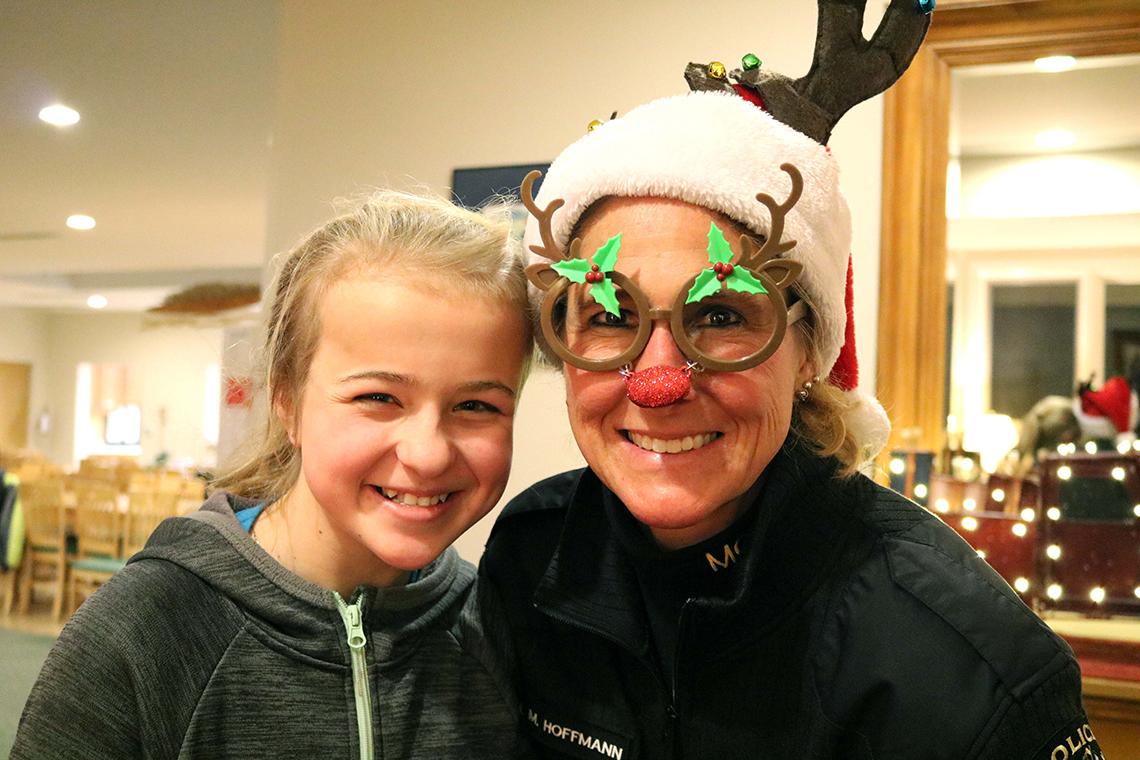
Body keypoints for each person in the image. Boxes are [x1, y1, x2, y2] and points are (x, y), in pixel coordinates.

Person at [480, 1, 1105, 757]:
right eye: (610, 316)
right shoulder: (530, 559)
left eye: (719, 319)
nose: (659, 382)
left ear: (809, 351)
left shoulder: (971, 669)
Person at [14, 190, 533, 759]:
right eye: (379, 396)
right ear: (287, 401)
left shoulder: (495, 632)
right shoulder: (140, 634)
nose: (429, 454)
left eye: (477, 406)